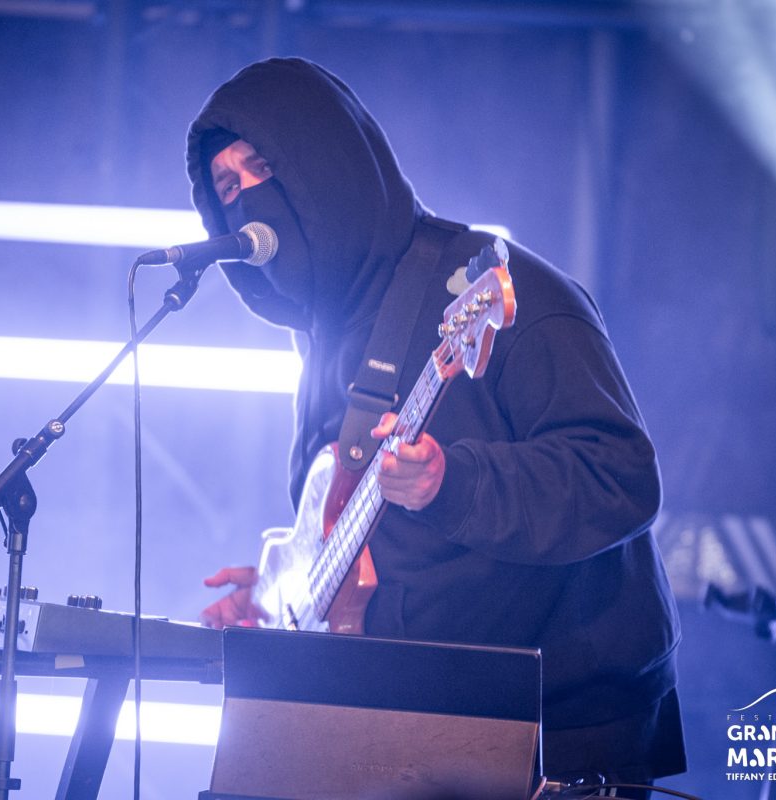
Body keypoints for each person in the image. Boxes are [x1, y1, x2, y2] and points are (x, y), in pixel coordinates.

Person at [187, 58, 686, 796]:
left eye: (262, 165)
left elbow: (618, 477)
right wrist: (279, 591)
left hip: (558, 740)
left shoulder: (505, 291)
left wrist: (452, 482)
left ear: (328, 156)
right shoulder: (326, 337)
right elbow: (359, 534)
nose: (246, 199)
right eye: (227, 187)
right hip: (407, 719)